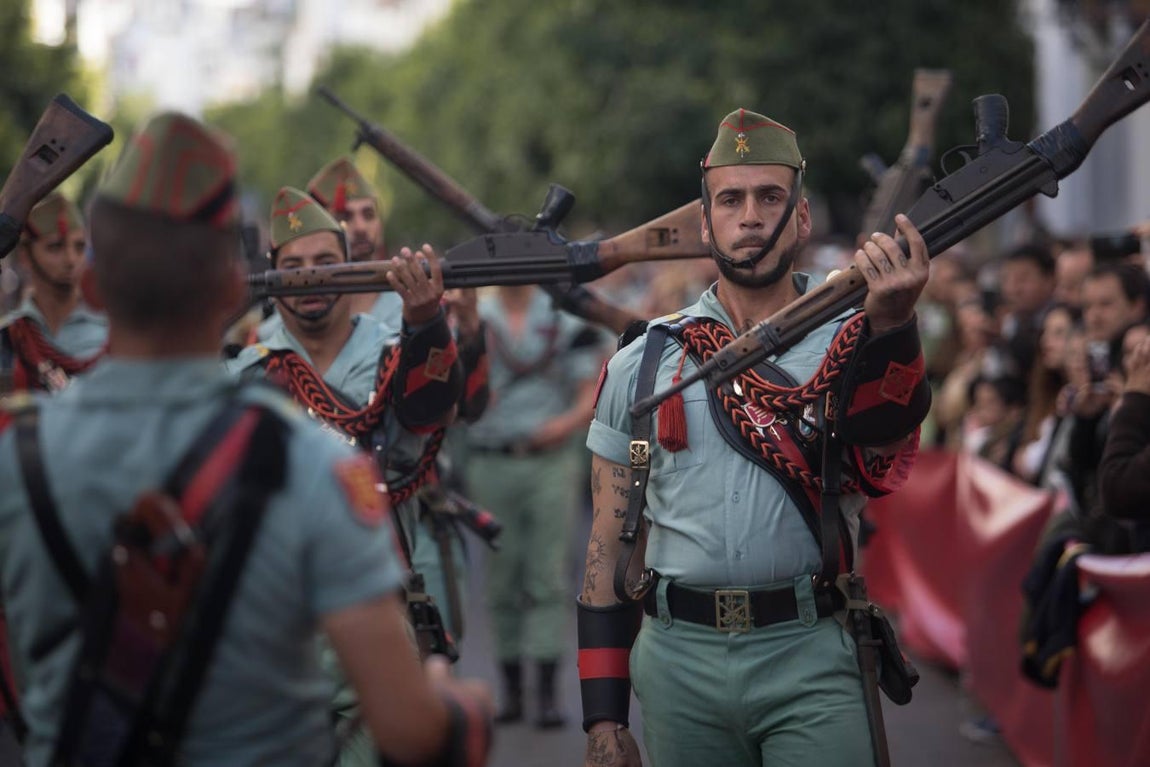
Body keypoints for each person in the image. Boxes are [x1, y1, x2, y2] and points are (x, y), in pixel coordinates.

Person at [0, 112, 491, 767]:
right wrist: (464, 709)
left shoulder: (13, 457)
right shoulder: (312, 463)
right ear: (237, 286)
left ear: (92, 286)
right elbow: (411, 731)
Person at [577, 108, 931, 767]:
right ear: (704, 222)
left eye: (770, 197)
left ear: (800, 217)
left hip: (812, 654)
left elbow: (887, 447)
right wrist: (602, 718)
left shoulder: (857, 339)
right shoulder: (646, 362)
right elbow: (607, 547)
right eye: (730, 199)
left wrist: (894, 328)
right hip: (678, 663)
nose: (749, 217)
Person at [464, 283, 608, 729]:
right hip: (492, 457)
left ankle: (546, 693)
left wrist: (562, 425)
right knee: (501, 577)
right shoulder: (475, 316)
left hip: (550, 459)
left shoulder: (561, 315)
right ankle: (512, 691)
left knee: (547, 574)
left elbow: (589, 388)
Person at [0, 191, 107, 394]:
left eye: (79, 246)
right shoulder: (10, 336)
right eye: (55, 247)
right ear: (25, 257)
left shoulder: (113, 333)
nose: (71, 259)